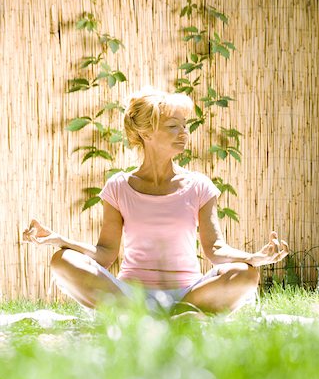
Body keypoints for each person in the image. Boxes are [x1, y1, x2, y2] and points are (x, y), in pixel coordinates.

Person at [23, 87, 289, 318]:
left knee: (246, 274)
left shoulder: (199, 186)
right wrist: (61, 241)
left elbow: (215, 249)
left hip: (189, 294)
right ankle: (146, 314)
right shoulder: (118, 186)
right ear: (146, 133)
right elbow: (104, 252)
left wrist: (254, 258)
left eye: (185, 125)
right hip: (130, 295)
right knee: (62, 260)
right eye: (173, 126)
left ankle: (177, 313)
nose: (184, 133)